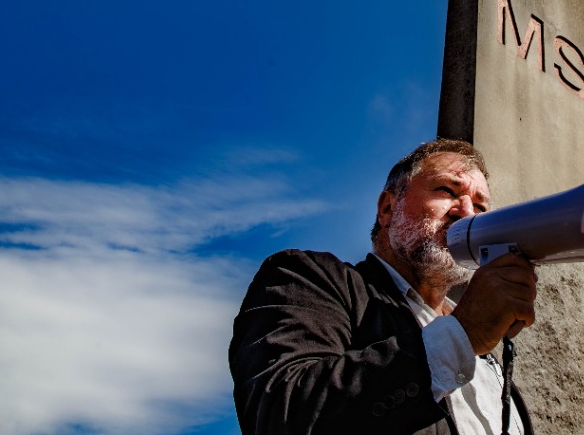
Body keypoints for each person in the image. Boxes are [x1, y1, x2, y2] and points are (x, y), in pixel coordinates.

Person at [229, 138, 539, 434]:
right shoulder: (307, 277)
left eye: (480, 207)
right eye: (447, 189)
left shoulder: (488, 359)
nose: (467, 213)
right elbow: (281, 414)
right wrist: (463, 335)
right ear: (388, 208)